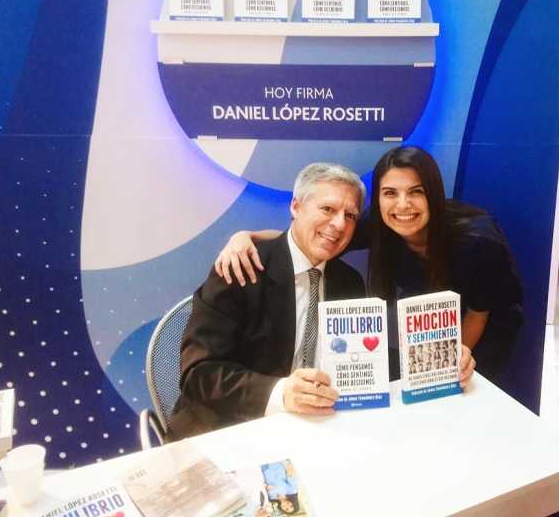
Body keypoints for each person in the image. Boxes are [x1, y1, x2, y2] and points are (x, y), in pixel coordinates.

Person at [214, 146, 521, 385]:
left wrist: (449, 363)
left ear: (434, 195)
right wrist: (247, 236)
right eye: (390, 193)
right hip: (431, 330)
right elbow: (314, 237)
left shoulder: (478, 241)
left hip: (481, 332)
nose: (402, 205)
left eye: (416, 192)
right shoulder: (378, 224)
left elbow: (478, 313)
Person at [166, 163, 368, 440]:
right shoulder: (241, 268)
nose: (340, 224)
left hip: (316, 428)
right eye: (327, 209)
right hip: (228, 430)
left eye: (351, 215)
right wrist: (280, 393)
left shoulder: (349, 282)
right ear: (296, 207)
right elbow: (199, 373)